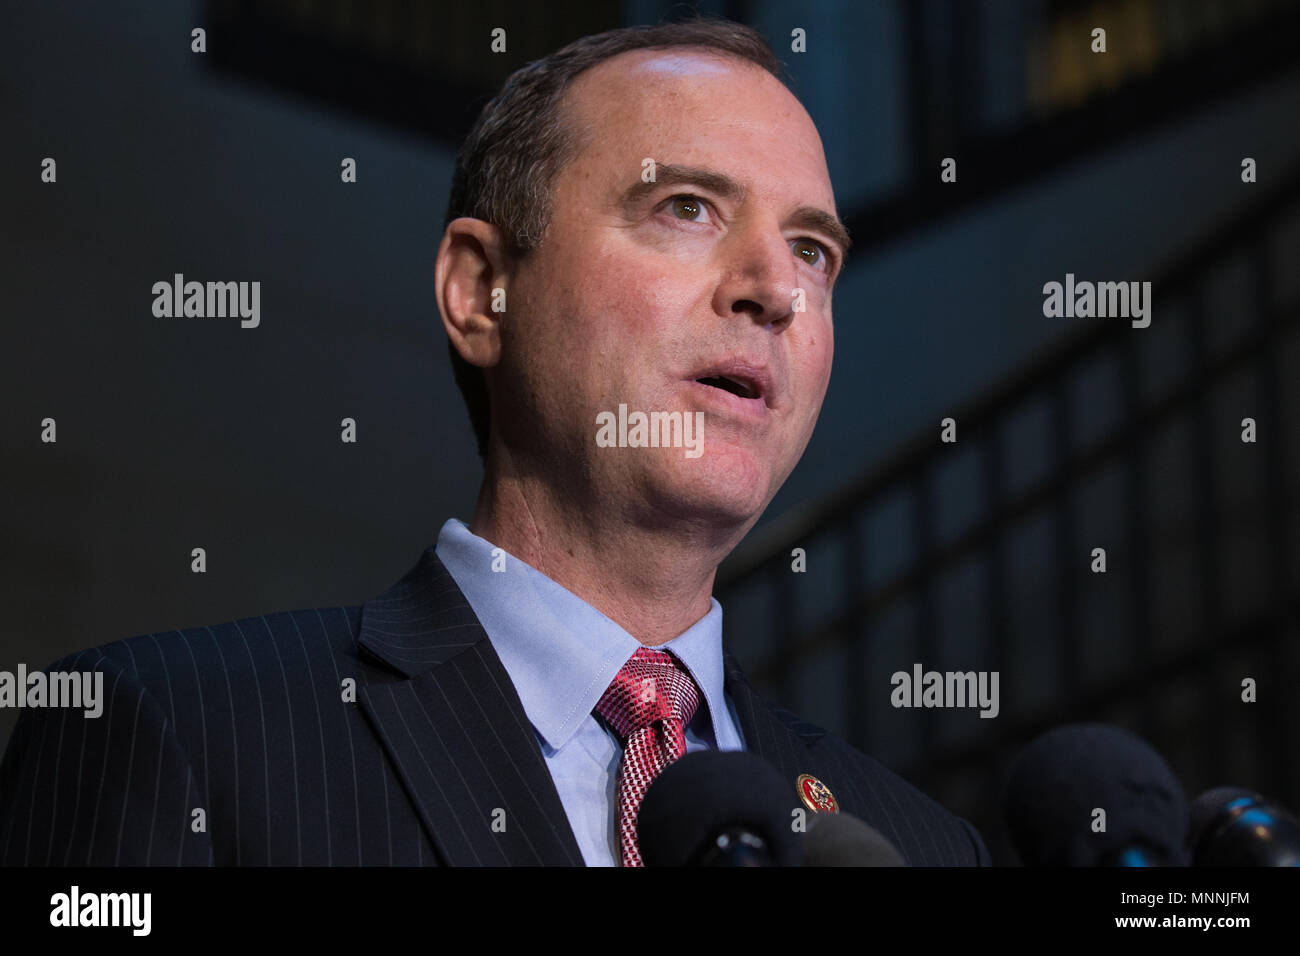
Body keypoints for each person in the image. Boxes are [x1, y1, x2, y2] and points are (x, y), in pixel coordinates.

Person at [0, 19, 990, 867]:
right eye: (686, 207)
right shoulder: (176, 731)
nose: (775, 290)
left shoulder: (923, 846)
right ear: (481, 292)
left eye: (812, 250)